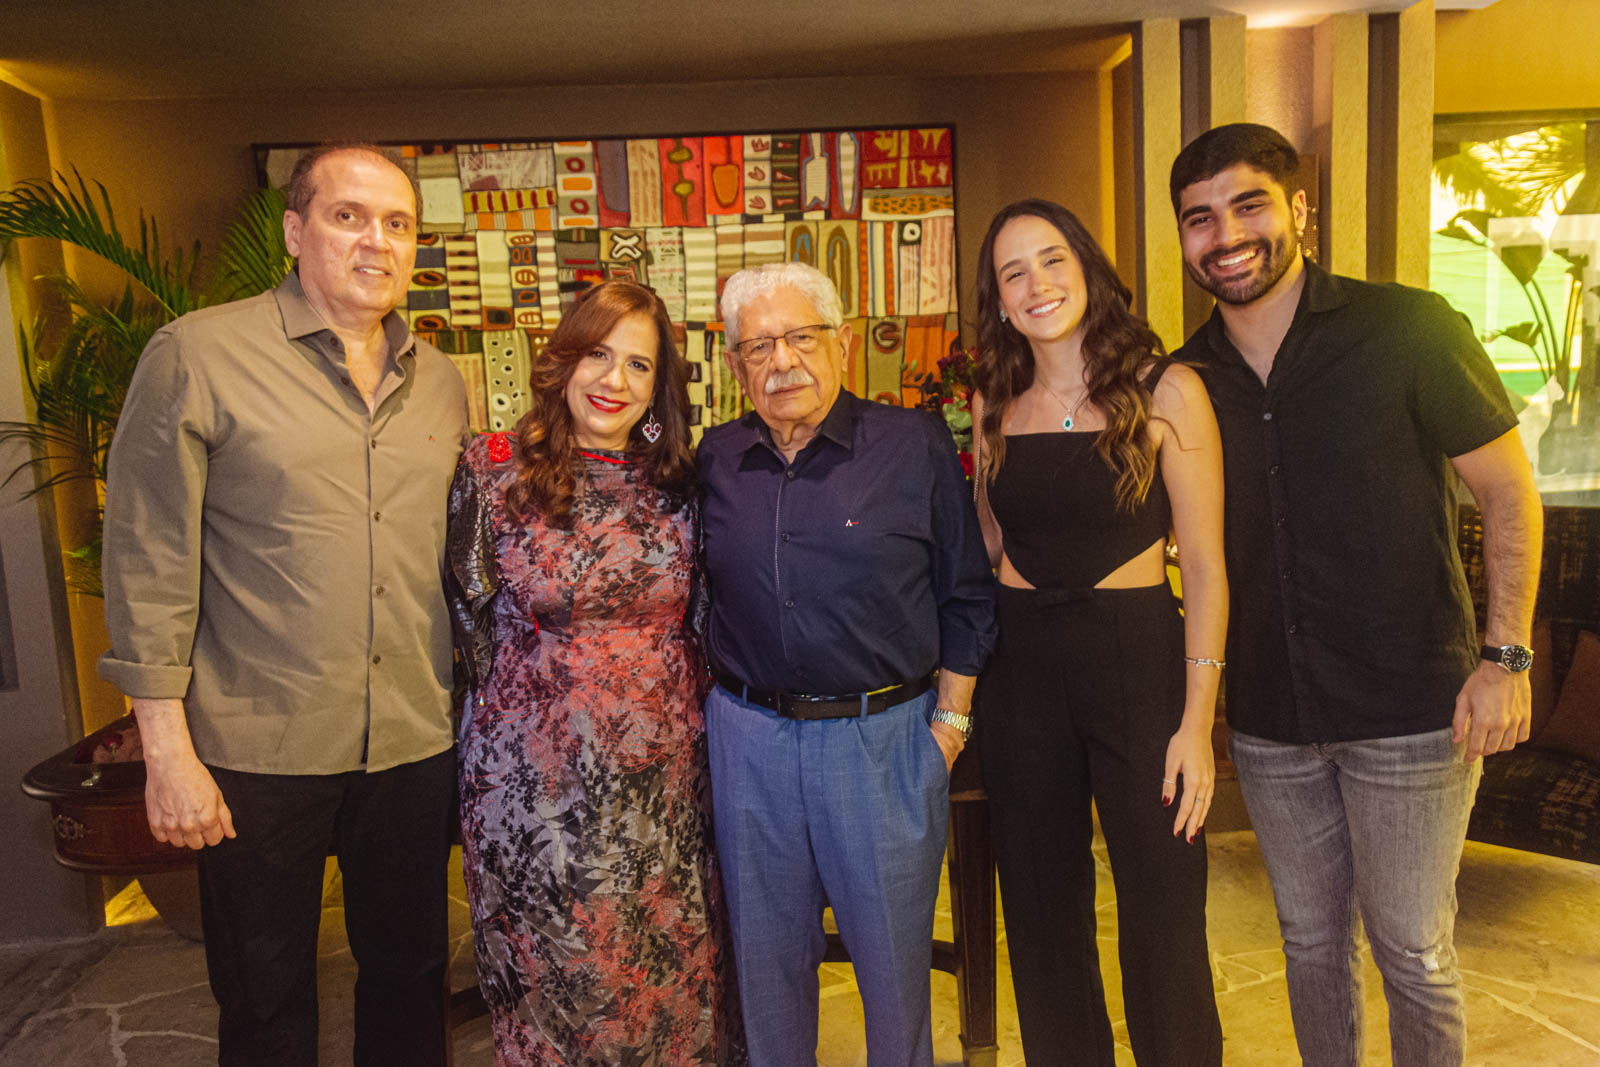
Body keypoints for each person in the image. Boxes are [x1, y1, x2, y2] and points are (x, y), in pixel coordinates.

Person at [1169, 123, 1542, 1066]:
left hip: (1412, 709)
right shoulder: (1187, 377)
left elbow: (1508, 493)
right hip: (1272, 716)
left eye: (1249, 205)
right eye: (1200, 217)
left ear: (1300, 209)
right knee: (1308, 944)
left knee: (1412, 950)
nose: (1226, 234)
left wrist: (1506, 658)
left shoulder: (1410, 329)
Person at [98, 144, 468, 1065]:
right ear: (296, 232)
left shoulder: (442, 380)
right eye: (348, 216)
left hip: (412, 741)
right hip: (257, 751)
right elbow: (147, 558)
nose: (376, 240)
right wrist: (166, 753)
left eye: (397, 223)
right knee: (264, 1002)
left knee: (412, 979)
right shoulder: (198, 354)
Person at [697, 261, 996, 1066]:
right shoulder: (715, 457)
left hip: (883, 742)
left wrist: (950, 723)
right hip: (749, 740)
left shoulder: (912, 444)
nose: (782, 361)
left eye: (801, 337)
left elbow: (967, 593)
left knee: (894, 976)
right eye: (758, 346)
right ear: (735, 364)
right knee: (766, 971)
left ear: (845, 343)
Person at [446, 279, 742, 1064]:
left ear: (659, 386)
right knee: (564, 982)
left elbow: (705, 620)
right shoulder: (493, 468)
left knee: (665, 976)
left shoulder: (681, 483)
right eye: (599, 355)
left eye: (639, 365)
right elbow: (468, 622)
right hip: (534, 788)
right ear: (565, 361)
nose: (615, 380)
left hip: (665, 789)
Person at [969, 200, 1227, 1066]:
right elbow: (990, 542)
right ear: (999, 300)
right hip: (1020, 669)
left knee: (1163, 906)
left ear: (1086, 267)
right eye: (1013, 273)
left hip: (1135, 661)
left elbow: (1207, 566)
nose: (1036, 284)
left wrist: (1197, 722)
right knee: (1040, 908)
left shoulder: (1169, 390)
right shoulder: (994, 401)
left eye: (1052, 260)